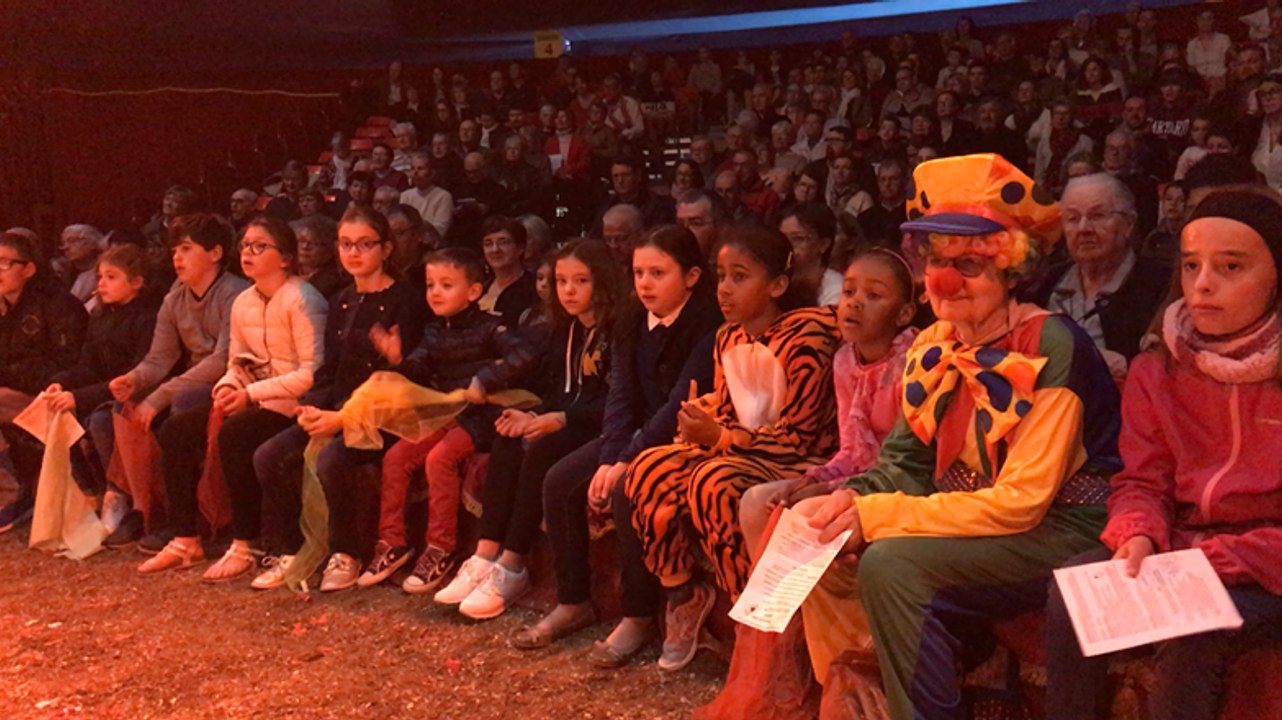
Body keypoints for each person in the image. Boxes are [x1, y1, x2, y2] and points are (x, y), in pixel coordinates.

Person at [795, 154, 1121, 720]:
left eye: (969, 263)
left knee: (891, 563)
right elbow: (906, 461)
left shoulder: (1052, 344)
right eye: (937, 261)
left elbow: (1022, 504)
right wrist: (848, 497)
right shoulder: (934, 344)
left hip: (1063, 527)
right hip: (978, 518)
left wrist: (876, 516)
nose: (944, 280)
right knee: (820, 535)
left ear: (1011, 268)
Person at [1045, 190, 1282, 720]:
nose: (1202, 285)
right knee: (1074, 594)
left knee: (1197, 631)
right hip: (1184, 551)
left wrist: (1217, 561)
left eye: (1231, 267)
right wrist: (1138, 533)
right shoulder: (1158, 367)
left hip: (1267, 563)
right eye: (1192, 265)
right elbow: (1142, 480)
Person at [623, 224, 840, 671]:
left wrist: (719, 439)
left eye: (740, 277)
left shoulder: (807, 337)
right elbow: (726, 410)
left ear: (777, 284)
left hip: (799, 458)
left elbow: (800, 435)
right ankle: (683, 593)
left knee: (712, 481)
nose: (724, 289)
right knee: (648, 468)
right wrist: (702, 425)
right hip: (744, 449)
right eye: (721, 276)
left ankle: (756, 619)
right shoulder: (729, 337)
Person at [512, 226, 722, 664]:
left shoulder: (707, 324)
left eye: (659, 273)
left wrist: (627, 460)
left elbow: (679, 402)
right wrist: (611, 454)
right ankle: (573, 601)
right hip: (634, 433)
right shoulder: (630, 317)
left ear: (692, 276)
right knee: (560, 481)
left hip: (683, 436)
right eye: (639, 272)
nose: (645, 283)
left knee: (629, 491)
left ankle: (638, 614)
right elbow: (621, 395)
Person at [433, 240, 619, 620]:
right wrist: (533, 414)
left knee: (541, 446)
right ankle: (486, 555)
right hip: (571, 415)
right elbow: (559, 391)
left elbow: (613, 401)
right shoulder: (566, 329)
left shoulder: (616, 331)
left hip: (601, 426)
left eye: (580, 281)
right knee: (510, 432)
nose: (568, 290)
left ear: (602, 282)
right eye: (561, 281)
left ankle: (513, 564)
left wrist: (555, 419)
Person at [249, 206, 427, 591]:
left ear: (386, 248)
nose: (354, 252)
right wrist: (312, 404)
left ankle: (346, 551)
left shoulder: (406, 300)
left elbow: (404, 382)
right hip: (340, 406)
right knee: (269, 455)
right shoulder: (341, 300)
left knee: (331, 457)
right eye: (346, 244)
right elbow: (332, 368)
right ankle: (289, 550)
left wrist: (345, 416)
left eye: (365, 244)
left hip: (386, 415)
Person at [150, 216, 328, 582]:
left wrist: (249, 393)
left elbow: (311, 374)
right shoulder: (244, 301)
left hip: (294, 403)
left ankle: (247, 544)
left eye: (260, 246)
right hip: (256, 396)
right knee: (176, 429)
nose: (248, 253)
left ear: (285, 258)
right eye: (245, 246)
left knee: (237, 433)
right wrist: (228, 386)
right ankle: (185, 537)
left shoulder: (302, 298)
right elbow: (236, 362)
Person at [357, 247, 539, 594]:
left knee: (440, 459)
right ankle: (392, 542)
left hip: (483, 418)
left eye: (446, 285)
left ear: (473, 292)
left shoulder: (491, 327)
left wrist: (486, 379)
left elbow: (526, 355)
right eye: (430, 285)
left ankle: (441, 547)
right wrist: (399, 359)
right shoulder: (433, 332)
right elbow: (420, 371)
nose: (435, 293)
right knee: (396, 458)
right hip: (446, 413)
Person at [116, 214, 249, 557]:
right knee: (118, 410)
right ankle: (144, 510)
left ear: (216, 252)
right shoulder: (174, 299)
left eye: (186, 249)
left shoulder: (235, 294)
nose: (177, 257)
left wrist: (158, 397)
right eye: (174, 250)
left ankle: (201, 516)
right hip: (192, 384)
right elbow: (158, 359)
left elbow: (223, 360)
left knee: (183, 404)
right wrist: (134, 379)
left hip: (227, 384)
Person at [44, 244, 160, 539]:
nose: (101, 284)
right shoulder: (100, 316)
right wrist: (63, 382)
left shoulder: (147, 317)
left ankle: (124, 496)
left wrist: (80, 396)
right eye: (100, 277)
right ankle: (91, 489)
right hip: (104, 392)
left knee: (101, 420)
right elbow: (88, 365)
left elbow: (138, 375)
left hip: (136, 394)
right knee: (57, 409)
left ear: (136, 282)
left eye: (111, 277)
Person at [1022, 173, 1170, 376]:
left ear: (1129, 224)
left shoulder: (1162, 287)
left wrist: (1126, 367)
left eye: (1097, 216)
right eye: (1072, 218)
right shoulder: (1043, 284)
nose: (1083, 229)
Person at [0, 233, 89, 532]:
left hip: (53, 395)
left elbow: (67, 363)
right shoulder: (5, 308)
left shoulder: (57, 304)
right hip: (14, 391)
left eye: (4, 263)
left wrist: (13, 376)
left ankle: (14, 494)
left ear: (29, 269)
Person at [477, 216, 537, 328]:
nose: (495, 250)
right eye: (488, 244)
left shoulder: (533, 288)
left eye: (503, 242)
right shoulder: (479, 287)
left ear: (520, 248)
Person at [779, 202, 842, 306]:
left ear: (823, 244)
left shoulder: (836, 289)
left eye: (798, 239)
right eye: (782, 238)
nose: (787, 245)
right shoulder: (773, 278)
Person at [400, 151, 454, 240]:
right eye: (412, 168)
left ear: (432, 173)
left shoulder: (443, 196)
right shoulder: (405, 196)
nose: (415, 173)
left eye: (420, 169)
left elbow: (440, 230)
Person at [291, 215, 345, 300]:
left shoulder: (336, 284)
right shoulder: (286, 272)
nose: (305, 247)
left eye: (314, 243)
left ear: (329, 248)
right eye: (301, 241)